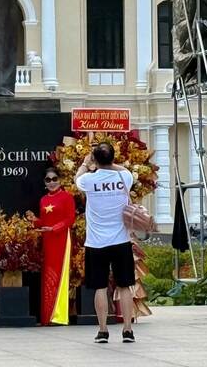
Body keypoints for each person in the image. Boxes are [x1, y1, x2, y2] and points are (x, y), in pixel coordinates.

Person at [75, 142, 136, 344]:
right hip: (121, 241)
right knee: (125, 286)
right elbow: (122, 169)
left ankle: (103, 331)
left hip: (96, 243)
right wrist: (109, 163)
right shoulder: (124, 177)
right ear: (112, 158)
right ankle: (127, 330)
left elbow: (77, 178)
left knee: (100, 287)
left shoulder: (89, 180)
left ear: (95, 159)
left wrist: (86, 163)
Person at [36, 168, 75, 326]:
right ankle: (48, 316)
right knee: (48, 276)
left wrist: (54, 228)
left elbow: (70, 218)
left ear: (60, 180)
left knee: (60, 274)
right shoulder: (43, 199)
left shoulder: (67, 197)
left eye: (54, 179)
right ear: (44, 182)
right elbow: (43, 222)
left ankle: (59, 316)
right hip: (48, 241)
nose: (52, 182)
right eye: (48, 180)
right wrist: (34, 221)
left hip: (61, 239)